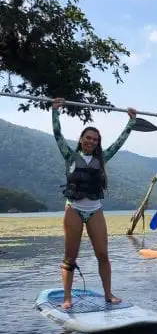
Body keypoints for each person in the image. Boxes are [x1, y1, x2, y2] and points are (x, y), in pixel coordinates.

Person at [51, 97, 136, 309]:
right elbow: (57, 135)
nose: (91, 142)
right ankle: (67, 298)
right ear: (81, 139)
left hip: (95, 210)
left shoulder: (102, 158)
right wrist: (55, 111)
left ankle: (108, 294)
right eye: (88, 138)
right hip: (74, 209)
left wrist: (131, 122)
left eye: (95, 140)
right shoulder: (69, 156)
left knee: (103, 255)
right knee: (70, 257)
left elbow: (119, 143)